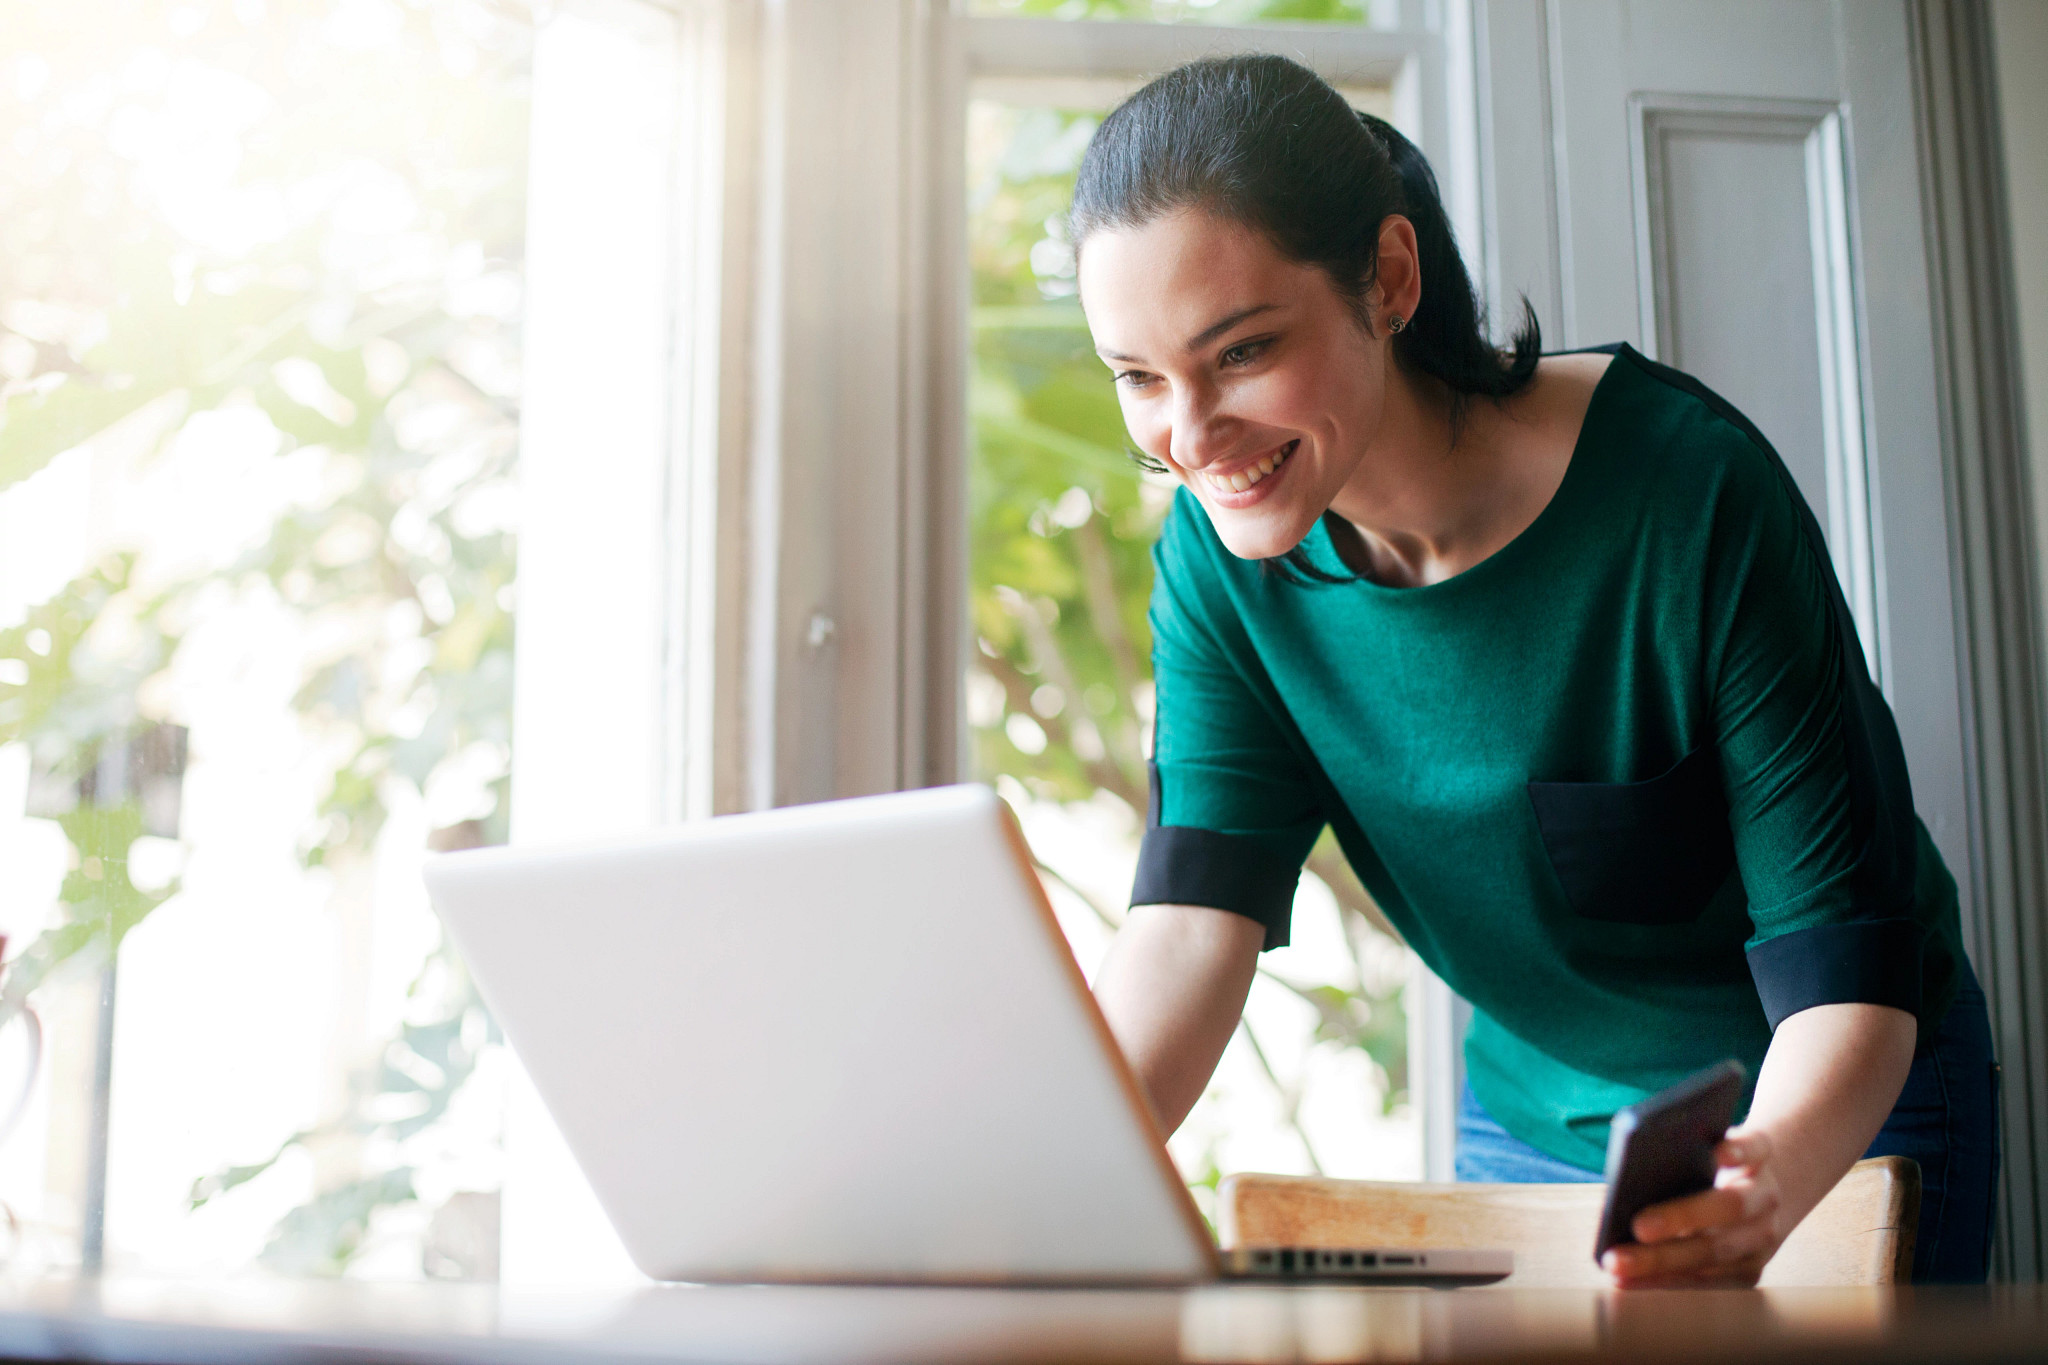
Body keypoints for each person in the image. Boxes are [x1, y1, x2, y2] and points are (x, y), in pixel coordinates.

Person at [1071, 53, 1997, 1286]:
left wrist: (1756, 1186)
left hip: (1834, 1098)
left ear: (1386, 278)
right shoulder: (1219, 559)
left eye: (1238, 353)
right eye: (1139, 378)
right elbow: (1190, 926)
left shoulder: (1685, 493)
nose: (1187, 439)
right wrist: (1048, 1178)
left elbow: (1847, 974)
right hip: (1529, 1116)